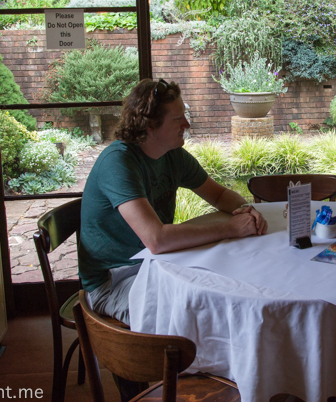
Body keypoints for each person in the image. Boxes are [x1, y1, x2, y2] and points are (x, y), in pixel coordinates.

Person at [79, 78, 268, 326]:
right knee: (199, 314)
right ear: (150, 126)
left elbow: (220, 195)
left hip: (157, 265)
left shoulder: (172, 155)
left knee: (227, 288)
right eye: (178, 119)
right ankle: (187, 364)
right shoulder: (119, 162)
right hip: (114, 282)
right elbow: (157, 239)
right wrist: (231, 227)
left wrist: (245, 209)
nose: (187, 124)